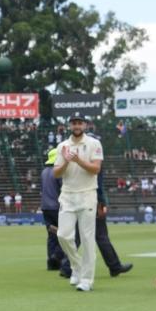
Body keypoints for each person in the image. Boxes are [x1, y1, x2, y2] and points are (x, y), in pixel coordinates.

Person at [52, 113, 103, 291]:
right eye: (74, 123)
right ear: (70, 125)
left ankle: (87, 280)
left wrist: (78, 160)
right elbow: (56, 173)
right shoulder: (62, 146)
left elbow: (96, 169)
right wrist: (66, 161)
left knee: (88, 239)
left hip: (88, 194)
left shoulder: (94, 144)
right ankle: (77, 266)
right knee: (63, 235)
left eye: (80, 123)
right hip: (67, 195)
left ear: (85, 125)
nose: (77, 126)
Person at [41, 148, 63, 271]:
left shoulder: (44, 172)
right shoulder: (58, 172)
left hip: (45, 207)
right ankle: (57, 257)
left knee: (51, 235)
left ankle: (51, 262)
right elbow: (62, 189)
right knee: (64, 233)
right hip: (57, 207)